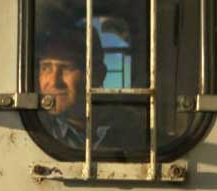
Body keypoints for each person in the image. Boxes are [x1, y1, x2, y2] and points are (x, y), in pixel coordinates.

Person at [36, 27, 147, 155]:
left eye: (67, 68)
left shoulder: (135, 128)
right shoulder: (35, 128)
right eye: (46, 68)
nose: (54, 81)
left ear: (98, 75)